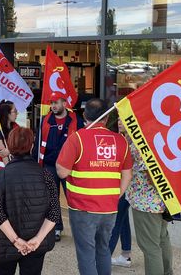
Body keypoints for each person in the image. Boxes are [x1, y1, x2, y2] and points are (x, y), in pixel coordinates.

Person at [56, 98, 132, 275]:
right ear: (106, 118)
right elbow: (127, 175)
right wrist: (114, 195)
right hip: (109, 209)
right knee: (103, 249)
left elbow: (62, 172)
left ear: (84, 116)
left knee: (86, 253)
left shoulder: (77, 139)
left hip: (83, 209)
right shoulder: (121, 141)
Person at [0, 127, 60, 275]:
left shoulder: (1, 176)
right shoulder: (46, 175)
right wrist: (37, 239)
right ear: (32, 146)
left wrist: (16, 241)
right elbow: (54, 213)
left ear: (9, 146)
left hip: (7, 243)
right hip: (36, 245)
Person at [122, 120, 173, 275]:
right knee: (162, 239)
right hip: (162, 201)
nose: (119, 122)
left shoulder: (140, 144)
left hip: (146, 203)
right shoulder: (157, 138)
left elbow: (151, 174)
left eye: (122, 119)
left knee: (150, 246)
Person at [36, 92, 84, 241]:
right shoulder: (45, 120)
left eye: (56, 103)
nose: (53, 106)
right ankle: (56, 228)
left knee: (74, 198)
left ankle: (79, 230)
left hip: (71, 166)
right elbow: (38, 143)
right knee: (52, 198)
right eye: (51, 103)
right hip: (49, 165)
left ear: (64, 103)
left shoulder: (76, 120)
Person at [0, 100, 18, 177]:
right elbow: (3, 154)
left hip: (13, 169)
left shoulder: (15, 126)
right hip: (0, 173)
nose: (17, 114)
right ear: (7, 114)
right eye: (14, 111)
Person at [109, 194, 132, 267]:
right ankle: (125, 256)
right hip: (127, 187)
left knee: (116, 220)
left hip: (122, 187)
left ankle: (103, 259)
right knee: (123, 217)